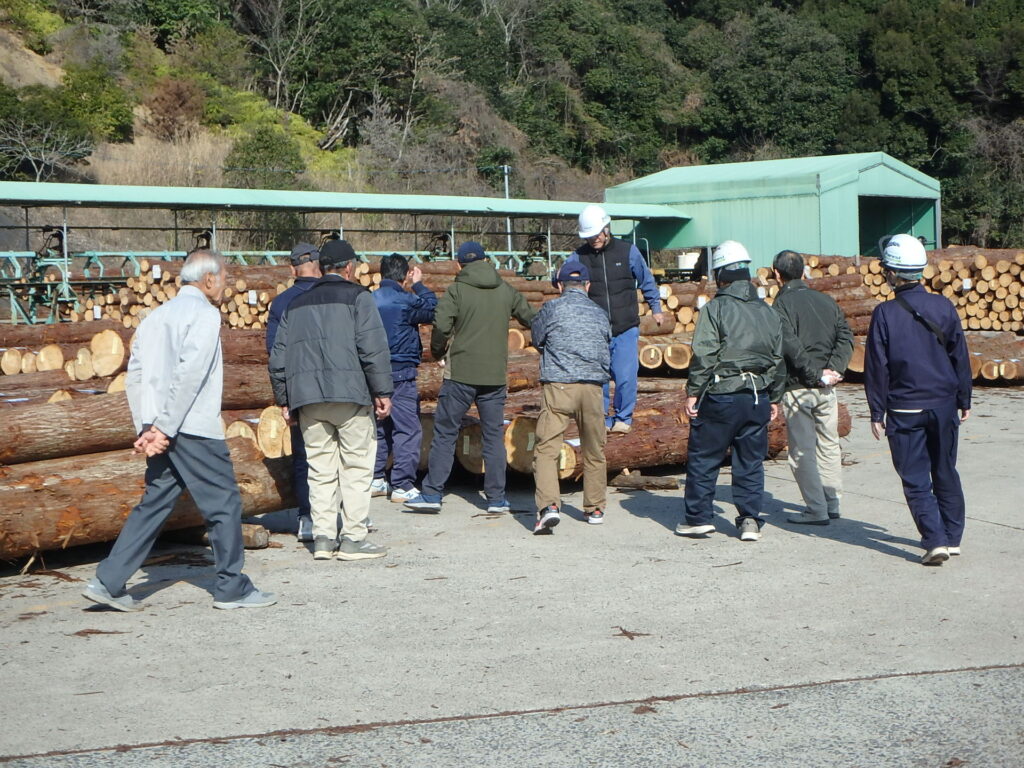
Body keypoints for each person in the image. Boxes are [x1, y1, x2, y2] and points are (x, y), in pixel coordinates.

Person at [82, 250, 276, 611]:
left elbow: (135, 376)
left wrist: (147, 426)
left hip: (161, 426)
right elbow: (190, 374)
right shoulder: (204, 314)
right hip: (192, 426)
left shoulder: (154, 317)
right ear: (209, 279)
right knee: (224, 503)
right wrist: (165, 428)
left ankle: (108, 582)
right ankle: (232, 587)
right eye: (224, 278)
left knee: (154, 504)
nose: (226, 286)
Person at [269, 239, 393, 561]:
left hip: (308, 399)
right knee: (356, 468)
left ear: (322, 267)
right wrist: (383, 392)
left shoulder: (295, 304)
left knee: (319, 469)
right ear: (349, 268)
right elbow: (373, 349)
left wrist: (284, 399)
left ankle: (323, 538)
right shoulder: (359, 298)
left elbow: (278, 357)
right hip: (351, 396)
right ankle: (352, 539)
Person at [404, 241, 536, 514]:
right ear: (486, 261)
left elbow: (441, 325)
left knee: (445, 433)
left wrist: (438, 351)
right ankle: (497, 499)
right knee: (493, 435)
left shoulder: (456, 290)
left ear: (458, 265)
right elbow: (530, 318)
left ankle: (432, 494)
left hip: (460, 375)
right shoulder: (505, 289)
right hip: (494, 377)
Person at [865, 234, 972, 566]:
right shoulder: (943, 306)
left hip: (905, 407)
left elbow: (877, 367)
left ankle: (935, 540)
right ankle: (952, 537)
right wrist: (964, 398)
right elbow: (959, 355)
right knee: (945, 469)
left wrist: (876, 412)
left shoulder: (884, 313)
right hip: (943, 404)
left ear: (892, 273)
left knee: (915, 477)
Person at [674, 241, 784, 543]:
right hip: (757, 396)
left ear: (720, 274)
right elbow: (778, 357)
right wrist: (775, 396)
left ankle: (699, 519)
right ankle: (749, 520)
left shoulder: (715, 309)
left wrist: (694, 392)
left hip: (722, 394)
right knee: (750, 461)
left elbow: (705, 354)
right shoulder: (767, 311)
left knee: (705, 456)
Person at [771, 250, 853, 525]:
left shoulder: (780, 305)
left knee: (802, 452)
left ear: (776, 274)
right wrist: (834, 369)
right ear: (804, 271)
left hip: (799, 388)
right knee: (829, 445)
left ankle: (817, 509)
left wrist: (815, 374)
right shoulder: (825, 300)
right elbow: (845, 336)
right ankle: (832, 503)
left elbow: (790, 346)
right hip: (826, 387)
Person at [566, 204, 664, 434]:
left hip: (625, 326)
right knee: (597, 377)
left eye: (597, 234)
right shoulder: (578, 257)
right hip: (594, 330)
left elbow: (646, 280)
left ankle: (622, 417)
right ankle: (599, 418)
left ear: (606, 228)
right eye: (589, 236)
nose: (594, 239)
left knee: (625, 377)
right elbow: (564, 283)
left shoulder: (628, 251)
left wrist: (656, 307)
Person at [530, 262, 610, 533]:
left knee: (547, 449)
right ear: (587, 285)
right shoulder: (600, 313)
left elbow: (537, 339)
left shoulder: (551, 309)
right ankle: (595, 508)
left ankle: (549, 507)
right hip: (592, 388)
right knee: (594, 450)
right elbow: (607, 343)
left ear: (559, 285)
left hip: (559, 385)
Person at [266, 242, 322, 542]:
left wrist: (284, 398)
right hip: (337, 389)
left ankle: (308, 517)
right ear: (319, 266)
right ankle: (347, 517)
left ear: (292, 269)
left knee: (304, 455)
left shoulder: (281, 302)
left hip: (299, 389)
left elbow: (274, 352)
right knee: (338, 453)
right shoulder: (334, 295)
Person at [371, 253, 437, 504]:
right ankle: (401, 484)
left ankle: (376, 478)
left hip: (372, 372)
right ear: (406, 275)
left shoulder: (368, 300)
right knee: (407, 428)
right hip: (401, 371)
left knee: (378, 427)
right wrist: (419, 285)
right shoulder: (408, 300)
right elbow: (433, 309)